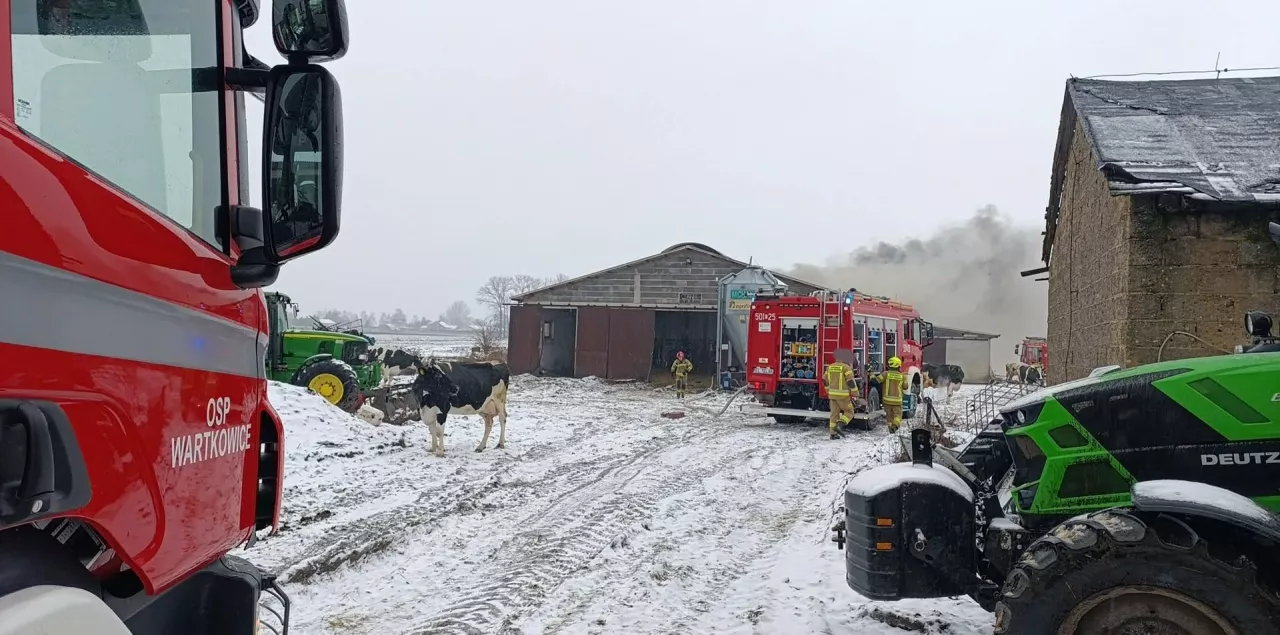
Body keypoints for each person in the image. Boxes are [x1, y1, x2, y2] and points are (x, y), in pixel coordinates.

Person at [823, 350, 858, 440]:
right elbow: (850, 382)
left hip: (832, 395)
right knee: (849, 412)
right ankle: (840, 425)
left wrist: (827, 391)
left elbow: (824, 380)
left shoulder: (830, 367)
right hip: (843, 396)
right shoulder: (846, 367)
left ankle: (833, 434)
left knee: (834, 415)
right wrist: (855, 393)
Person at [876, 356, 909, 432]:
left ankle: (890, 428)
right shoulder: (902, 376)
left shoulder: (885, 374)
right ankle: (895, 426)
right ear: (898, 365)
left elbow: (876, 380)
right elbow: (906, 387)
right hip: (897, 401)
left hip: (886, 400)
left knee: (889, 416)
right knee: (898, 415)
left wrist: (871, 373)